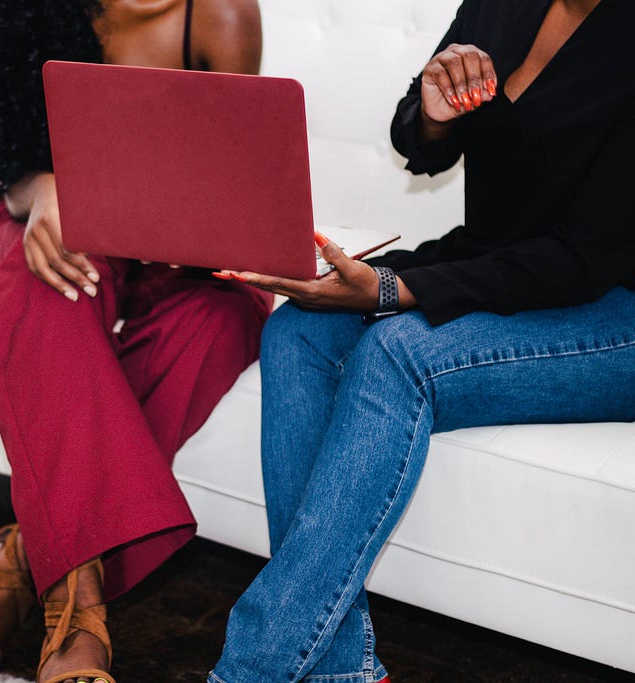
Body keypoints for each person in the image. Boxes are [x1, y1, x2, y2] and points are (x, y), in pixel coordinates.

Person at [209, 0, 635, 680]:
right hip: (499, 262)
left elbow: (588, 257)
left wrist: (390, 292)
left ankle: (251, 669)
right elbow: (414, 132)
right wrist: (435, 112)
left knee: (398, 352)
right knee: (299, 328)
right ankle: (339, 668)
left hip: (613, 306)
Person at [0, 1, 273, 682]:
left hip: (183, 250)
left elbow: (234, 177)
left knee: (221, 322)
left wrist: (175, 232)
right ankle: (77, 611)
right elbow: (3, 165)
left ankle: (22, 557)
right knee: (40, 286)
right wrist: (44, 188)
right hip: (48, 219)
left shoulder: (217, 12)